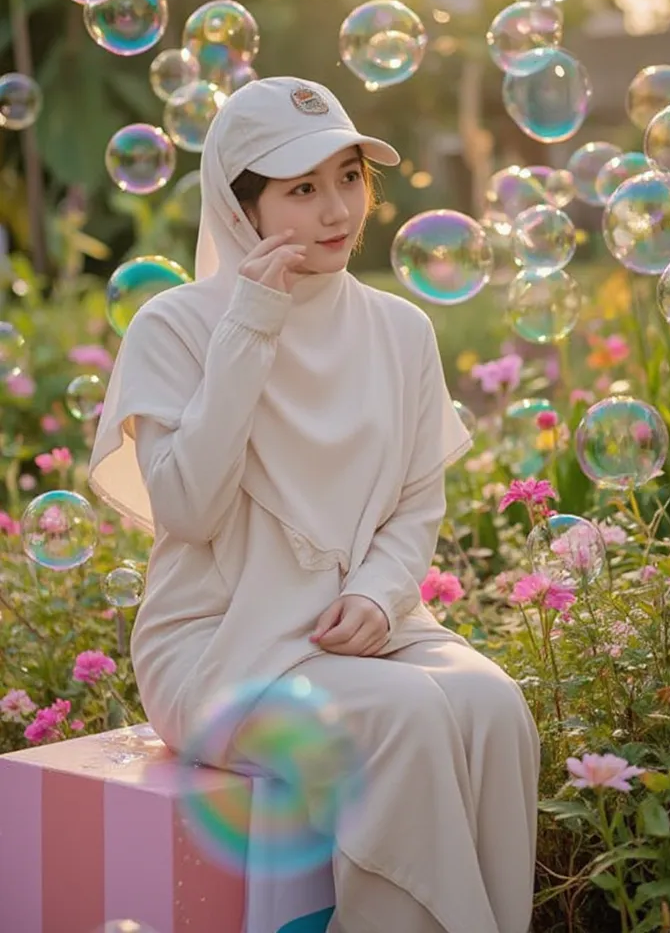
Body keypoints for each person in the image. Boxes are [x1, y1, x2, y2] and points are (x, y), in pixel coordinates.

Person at [88, 76, 540, 933]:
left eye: (349, 177)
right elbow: (187, 509)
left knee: (494, 708)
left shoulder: (401, 329)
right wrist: (250, 328)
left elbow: (415, 504)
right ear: (241, 207)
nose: (338, 210)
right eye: (302, 189)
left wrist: (376, 594)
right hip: (221, 649)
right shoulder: (176, 326)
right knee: (405, 721)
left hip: (357, 628)